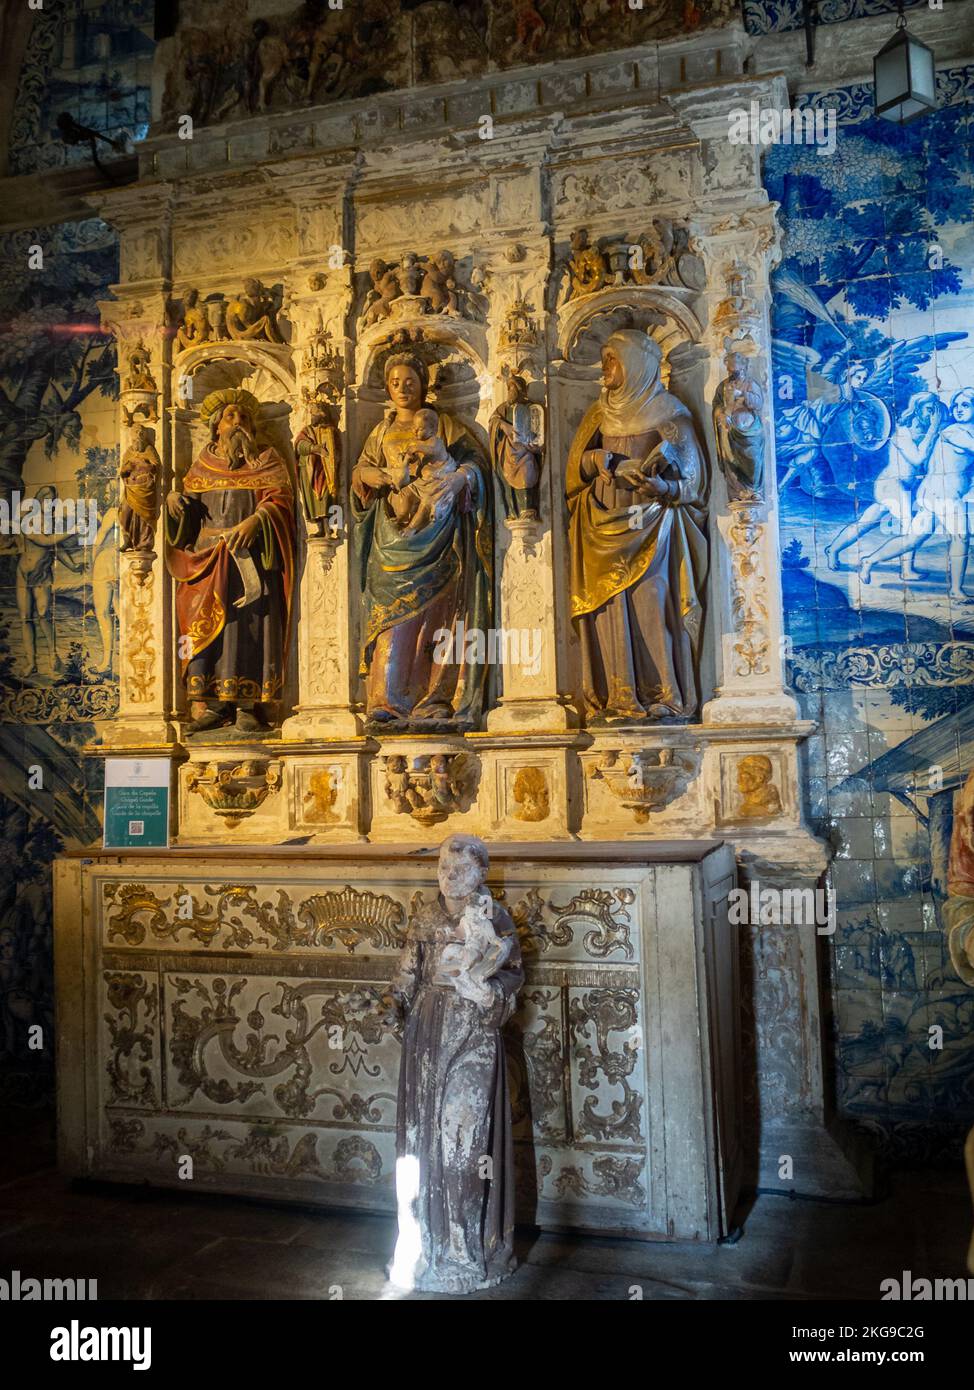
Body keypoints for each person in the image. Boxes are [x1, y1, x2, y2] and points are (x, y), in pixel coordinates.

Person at [384, 833, 523, 1294]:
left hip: (475, 1036)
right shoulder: (424, 916)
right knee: (423, 1146)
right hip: (427, 1035)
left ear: (482, 872)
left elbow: (512, 981)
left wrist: (488, 993)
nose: (448, 876)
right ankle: (426, 1245)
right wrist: (391, 1003)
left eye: (459, 869)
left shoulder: (496, 918)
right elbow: (406, 975)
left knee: (462, 1143)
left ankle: (467, 1251)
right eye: (443, 867)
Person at [566, 329, 708, 723]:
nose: (605, 368)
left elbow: (693, 481)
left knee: (653, 605)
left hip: (651, 524)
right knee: (609, 611)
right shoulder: (598, 413)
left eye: (613, 359)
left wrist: (662, 484)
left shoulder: (669, 412)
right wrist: (596, 462)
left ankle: (667, 695)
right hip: (602, 526)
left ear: (637, 364)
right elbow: (571, 475)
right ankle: (619, 697)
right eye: (605, 358)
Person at [351, 351, 491, 731]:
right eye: (395, 382)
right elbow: (360, 472)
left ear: (423, 385)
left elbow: (477, 466)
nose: (402, 388)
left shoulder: (445, 425)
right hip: (390, 539)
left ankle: (435, 698)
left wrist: (461, 478)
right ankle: (386, 700)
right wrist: (370, 476)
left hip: (441, 534)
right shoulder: (379, 433)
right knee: (390, 621)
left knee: (441, 616)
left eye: (409, 381)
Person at [166, 388, 295, 735]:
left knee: (249, 630)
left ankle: (248, 706)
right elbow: (186, 521)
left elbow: (281, 502)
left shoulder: (266, 460)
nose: (238, 422)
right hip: (207, 562)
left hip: (250, 561)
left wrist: (257, 519)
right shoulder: (201, 465)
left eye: (244, 417)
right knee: (207, 631)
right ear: (215, 427)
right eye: (230, 416)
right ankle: (213, 704)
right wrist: (174, 501)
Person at [860, 388, 974, 599]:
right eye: (956, 405)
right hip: (944, 495)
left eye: (965, 405)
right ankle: (956, 591)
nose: (958, 410)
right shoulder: (954, 432)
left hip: (933, 494)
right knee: (960, 537)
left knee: (913, 540)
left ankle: (870, 560)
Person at [825, 391, 943, 580]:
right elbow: (918, 457)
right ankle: (903, 570)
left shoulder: (922, 431)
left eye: (935, 411)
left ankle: (833, 549)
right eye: (929, 409)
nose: (933, 415)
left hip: (902, 486)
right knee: (909, 527)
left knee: (865, 523)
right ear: (918, 409)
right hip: (892, 484)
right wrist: (934, 429)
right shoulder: (903, 432)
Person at [16, 485, 83, 676]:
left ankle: (53, 655)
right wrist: (73, 530)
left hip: (42, 575)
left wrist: (72, 566)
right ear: (39, 500)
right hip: (24, 575)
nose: (50, 503)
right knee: (25, 618)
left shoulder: (52, 524)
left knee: (44, 613)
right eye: (47, 499)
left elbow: (56, 548)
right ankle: (31, 662)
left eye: (53, 500)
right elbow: (45, 541)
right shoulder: (27, 521)